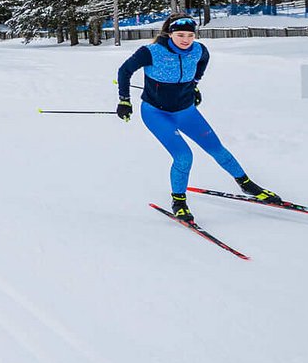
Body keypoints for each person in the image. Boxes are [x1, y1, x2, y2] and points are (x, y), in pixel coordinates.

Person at [116, 14, 277, 221]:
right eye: (180, 35)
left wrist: (194, 85)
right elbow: (124, 71)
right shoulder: (151, 52)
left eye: (190, 35)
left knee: (218, 149)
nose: (185, 40)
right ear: (170, 33)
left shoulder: (199, 50)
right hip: (156, 113)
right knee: (184, 156)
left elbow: (202, 64)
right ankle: (179, 201)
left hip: (186, 111)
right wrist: (124, 100)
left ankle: (247, 185)